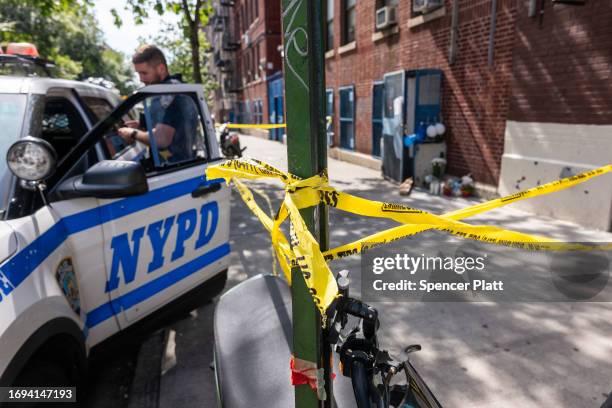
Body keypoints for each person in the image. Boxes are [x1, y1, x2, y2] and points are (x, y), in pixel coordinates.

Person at [117, 44, 197, 163]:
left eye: (144, 73)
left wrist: (133, 133)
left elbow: (161, 139)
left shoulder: (171, 93)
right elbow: (169, 122)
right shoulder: (164, 91)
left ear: (161, 69)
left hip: (176, 170)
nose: (141, 79)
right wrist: (142, 125)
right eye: (138, 74)